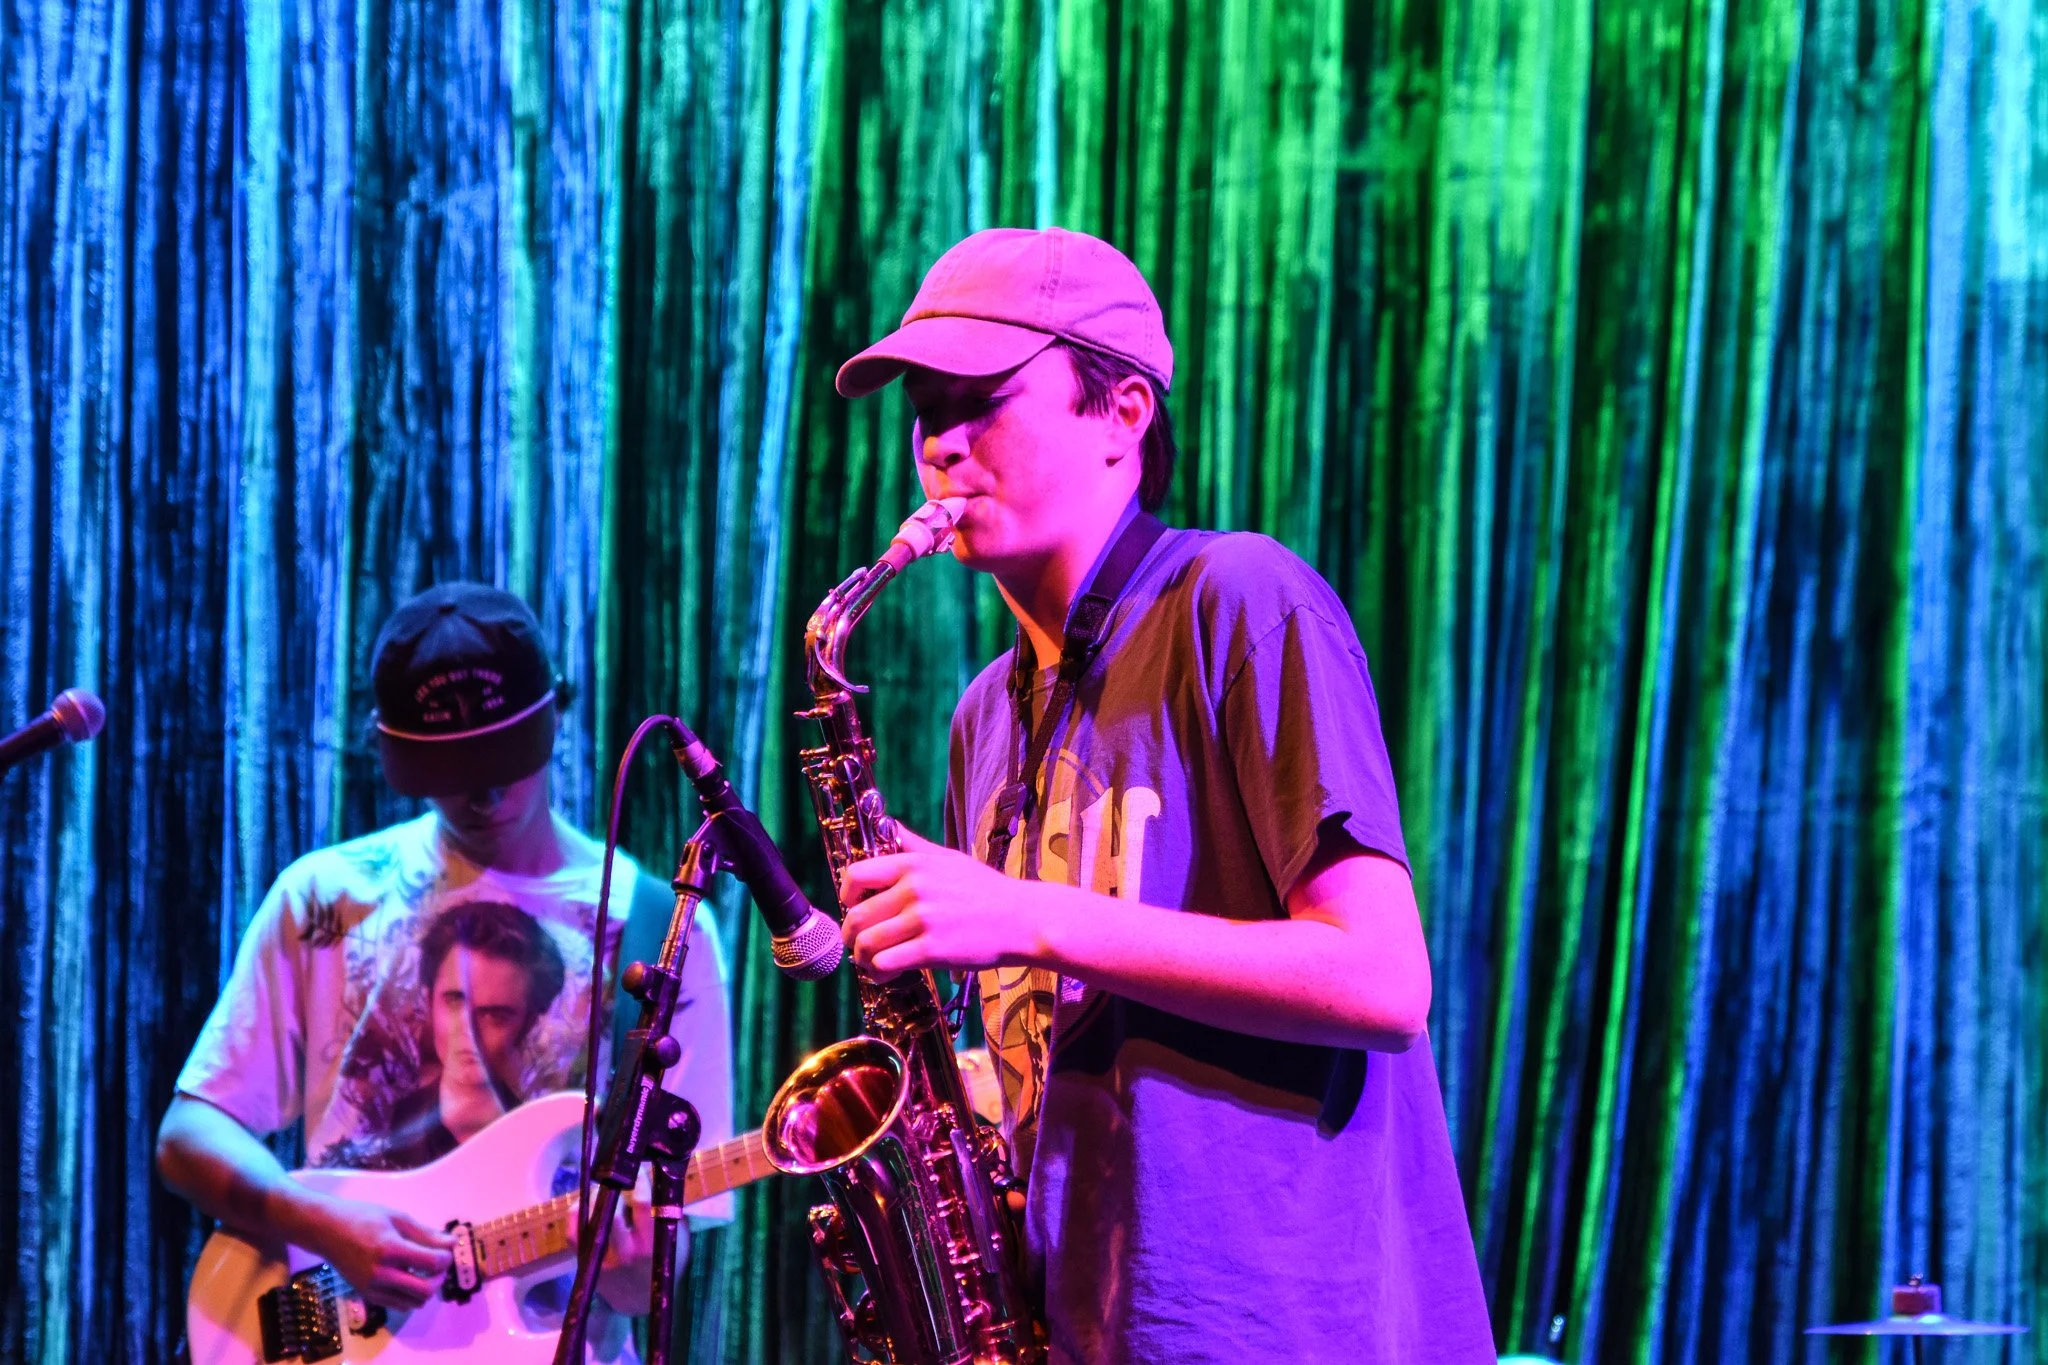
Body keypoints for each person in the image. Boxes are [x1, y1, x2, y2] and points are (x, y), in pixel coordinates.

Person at [830, 227, 1495, 1362]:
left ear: (1123, 414)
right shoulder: (984, 715)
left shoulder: (1238, 598)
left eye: (981, 399)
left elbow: (1383, 979)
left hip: (1281, 1328)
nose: (940, 443)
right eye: (925, 411)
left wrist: (1024, 913)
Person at [157, 582, 734, 1355]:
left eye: (501, 758)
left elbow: (651, 1269)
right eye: (451, 767)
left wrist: (627, 1265)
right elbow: (189, 1135)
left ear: (555, 716)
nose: (483, 792)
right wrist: (320, 1223)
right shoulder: (327, 896)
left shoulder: (664, 930)